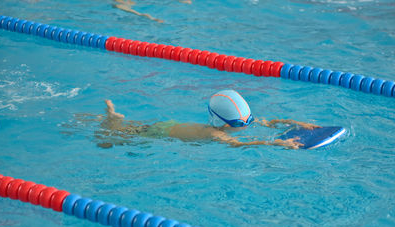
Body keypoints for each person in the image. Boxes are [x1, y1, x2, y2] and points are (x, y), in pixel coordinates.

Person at [97, 90, 320, 149]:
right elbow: (240, 145)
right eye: (240, 124)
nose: (246, 125)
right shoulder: (214, 134)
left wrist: (295, 123)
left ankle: (114, 117)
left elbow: (269, 121)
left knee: (128, 132)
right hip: (159, 132)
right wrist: (276, 144)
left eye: (248, 121)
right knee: (110, 140)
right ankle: (110, 118)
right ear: (223, 124)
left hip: (171, 125)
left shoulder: (231, 123)